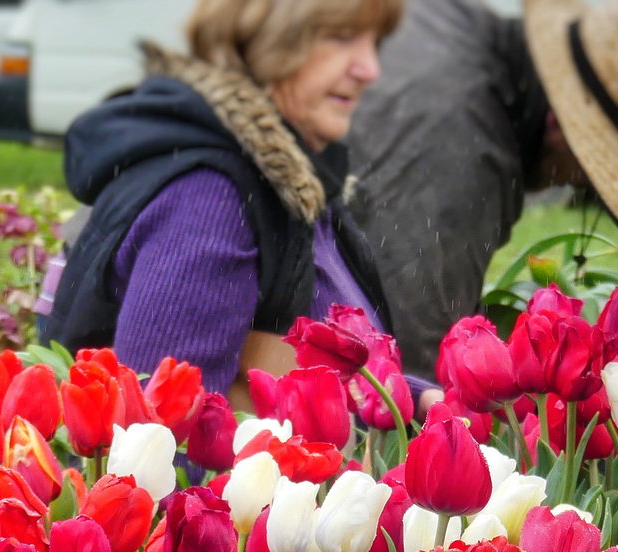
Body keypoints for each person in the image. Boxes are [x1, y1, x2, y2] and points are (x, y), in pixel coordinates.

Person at [38, 0, 407, 408]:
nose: (369, 69)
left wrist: (409, 403)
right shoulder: (211, 200)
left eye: (374, 42)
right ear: (263, 40)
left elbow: (302, 367)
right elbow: (166, 439)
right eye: (340, 38)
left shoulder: (288, 172)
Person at [346, 0, 618, 380]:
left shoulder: (450, 21)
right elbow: (408, 368)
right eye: (589, 171)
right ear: (562, 126)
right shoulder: (459, 156)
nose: (576, 182)